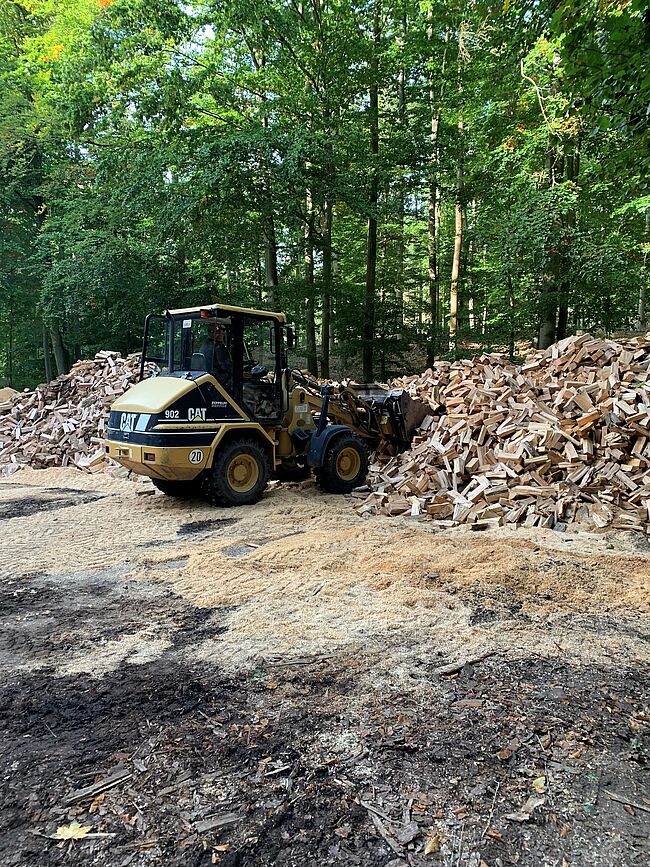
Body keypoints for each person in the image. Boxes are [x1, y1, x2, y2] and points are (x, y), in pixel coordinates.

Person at [198, 322, 233, 389]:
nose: (223, 334)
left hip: (208, 376)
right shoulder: (218, 347)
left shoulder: (205, 344)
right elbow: (225, 366)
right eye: (222, 332)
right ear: (216, 334)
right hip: (219, 379)